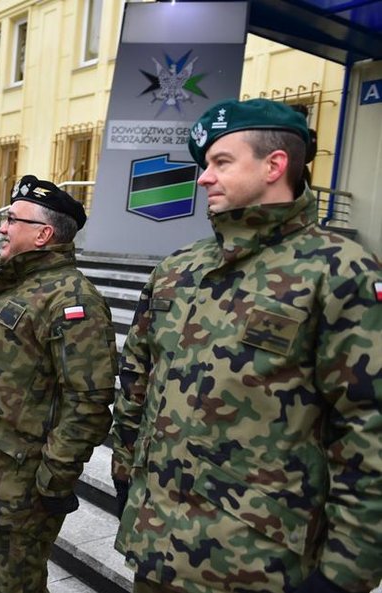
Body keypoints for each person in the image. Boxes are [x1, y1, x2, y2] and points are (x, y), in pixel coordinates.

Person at [111, 98, 382, 593]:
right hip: (158, 549)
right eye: (204, 165)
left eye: (221, 163)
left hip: (259, 564)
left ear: (274, 165)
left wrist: (347, 572)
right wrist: (126, 468)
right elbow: (139, 378)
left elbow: (369, 426)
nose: (203, 179)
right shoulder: (179, 267)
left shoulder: (339, 270)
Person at [0, 175, 118, 593]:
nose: (2, 226)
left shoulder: (72, 299)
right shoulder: (16, 285)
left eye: (13, 219)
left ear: (43, 234)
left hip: (18, 491)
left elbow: (88, 402)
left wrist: (55, 479)